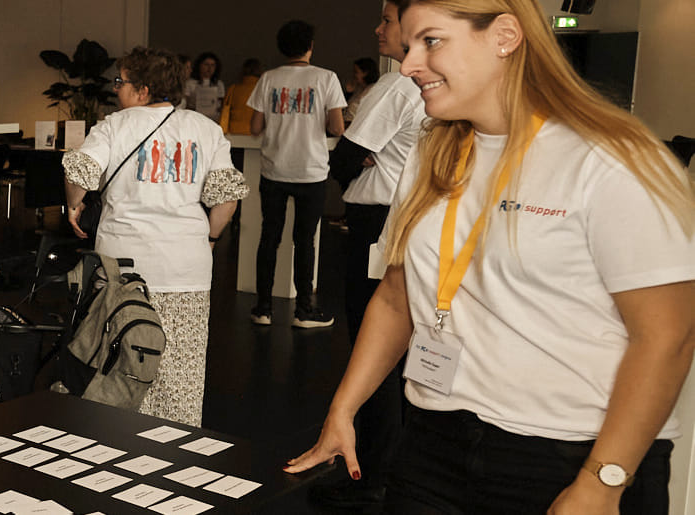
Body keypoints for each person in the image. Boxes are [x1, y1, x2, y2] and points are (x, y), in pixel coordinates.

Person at [285, 0, 695, 513]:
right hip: (433, 440)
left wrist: (602, 481)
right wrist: (343, 409)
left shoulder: (611, 159)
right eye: (409, 45)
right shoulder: (431, 148)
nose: (410, 64)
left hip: (570, 454)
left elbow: (667, 337)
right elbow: (395, 298)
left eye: (431, 42)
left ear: (505, 36)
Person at [63, 46, 248, 427]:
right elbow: (226, 199)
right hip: (186, 270)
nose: (117, 89)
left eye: (122, 81)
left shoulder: (116, 125)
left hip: (123, 270)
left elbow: (79, 173)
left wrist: (73, 206)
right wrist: (210, 239)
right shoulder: (205, 129)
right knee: (180, 372)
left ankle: (114, 450)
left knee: (119, 361)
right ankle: (175, 456)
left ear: (143, 89)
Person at [309, 0, 426, 510]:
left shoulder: (398, 85)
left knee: (373, 349)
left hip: (377, 224)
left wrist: (363, 162)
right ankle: (387, 468)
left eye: (387, 20)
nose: (378, 29)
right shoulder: (417, 89)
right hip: (402, 221)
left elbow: (346, 158)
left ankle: (373, 474)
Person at [247, 19, 346, 328]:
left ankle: (263, 308)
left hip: (274, 170)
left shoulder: (268, 78)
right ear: (310, 46)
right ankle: (304, 310)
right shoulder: (326, 77)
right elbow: (337, 127)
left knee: (269, 238)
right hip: (311, 171)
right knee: (305, 241)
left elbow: (254, 128)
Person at [219, 58, 263, 136]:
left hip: (233, 131)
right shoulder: (262, 90)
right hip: (255, 133)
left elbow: (225, 109)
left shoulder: (233, 89)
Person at [184, 52, 225, 122]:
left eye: (213, 65)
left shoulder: (219, 84)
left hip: (213, 120)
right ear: (199, 65)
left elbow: (221, 105)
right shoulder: (190, 83)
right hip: (195, 119)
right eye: (206, 64)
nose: (209, 68)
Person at [344, 57, 382, 124]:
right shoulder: (358, 89)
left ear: (365, 73)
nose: (353, 75)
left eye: (356, 72)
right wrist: (349, 93)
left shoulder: (373, 90)